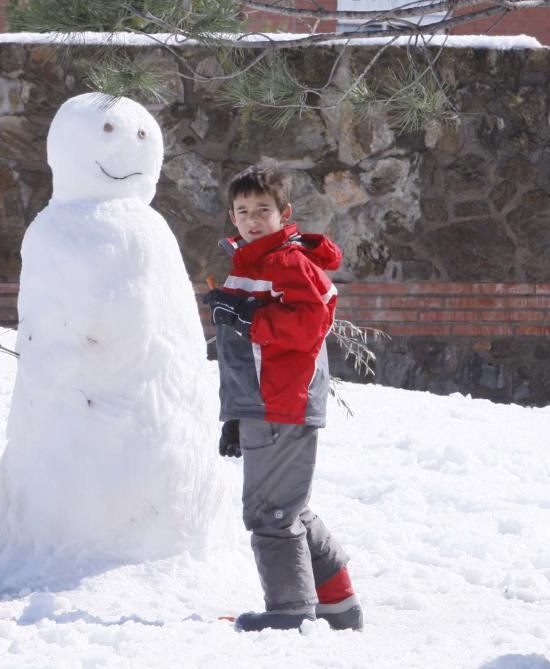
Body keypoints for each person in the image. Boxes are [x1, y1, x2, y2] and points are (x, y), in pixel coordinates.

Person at [203, 163, 363, 633]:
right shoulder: (249, 263)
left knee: (270, 513)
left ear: (284, 213)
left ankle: (290, 613)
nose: (253, 219)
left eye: (263, 210)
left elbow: (311, 324)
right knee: (288, 507)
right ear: (232, 217)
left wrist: (249, 316)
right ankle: (337, 605)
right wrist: (234, 414)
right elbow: (243, 353)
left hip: (283, 402)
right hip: (261, 404)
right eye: (243, 210)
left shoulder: (287, 263)